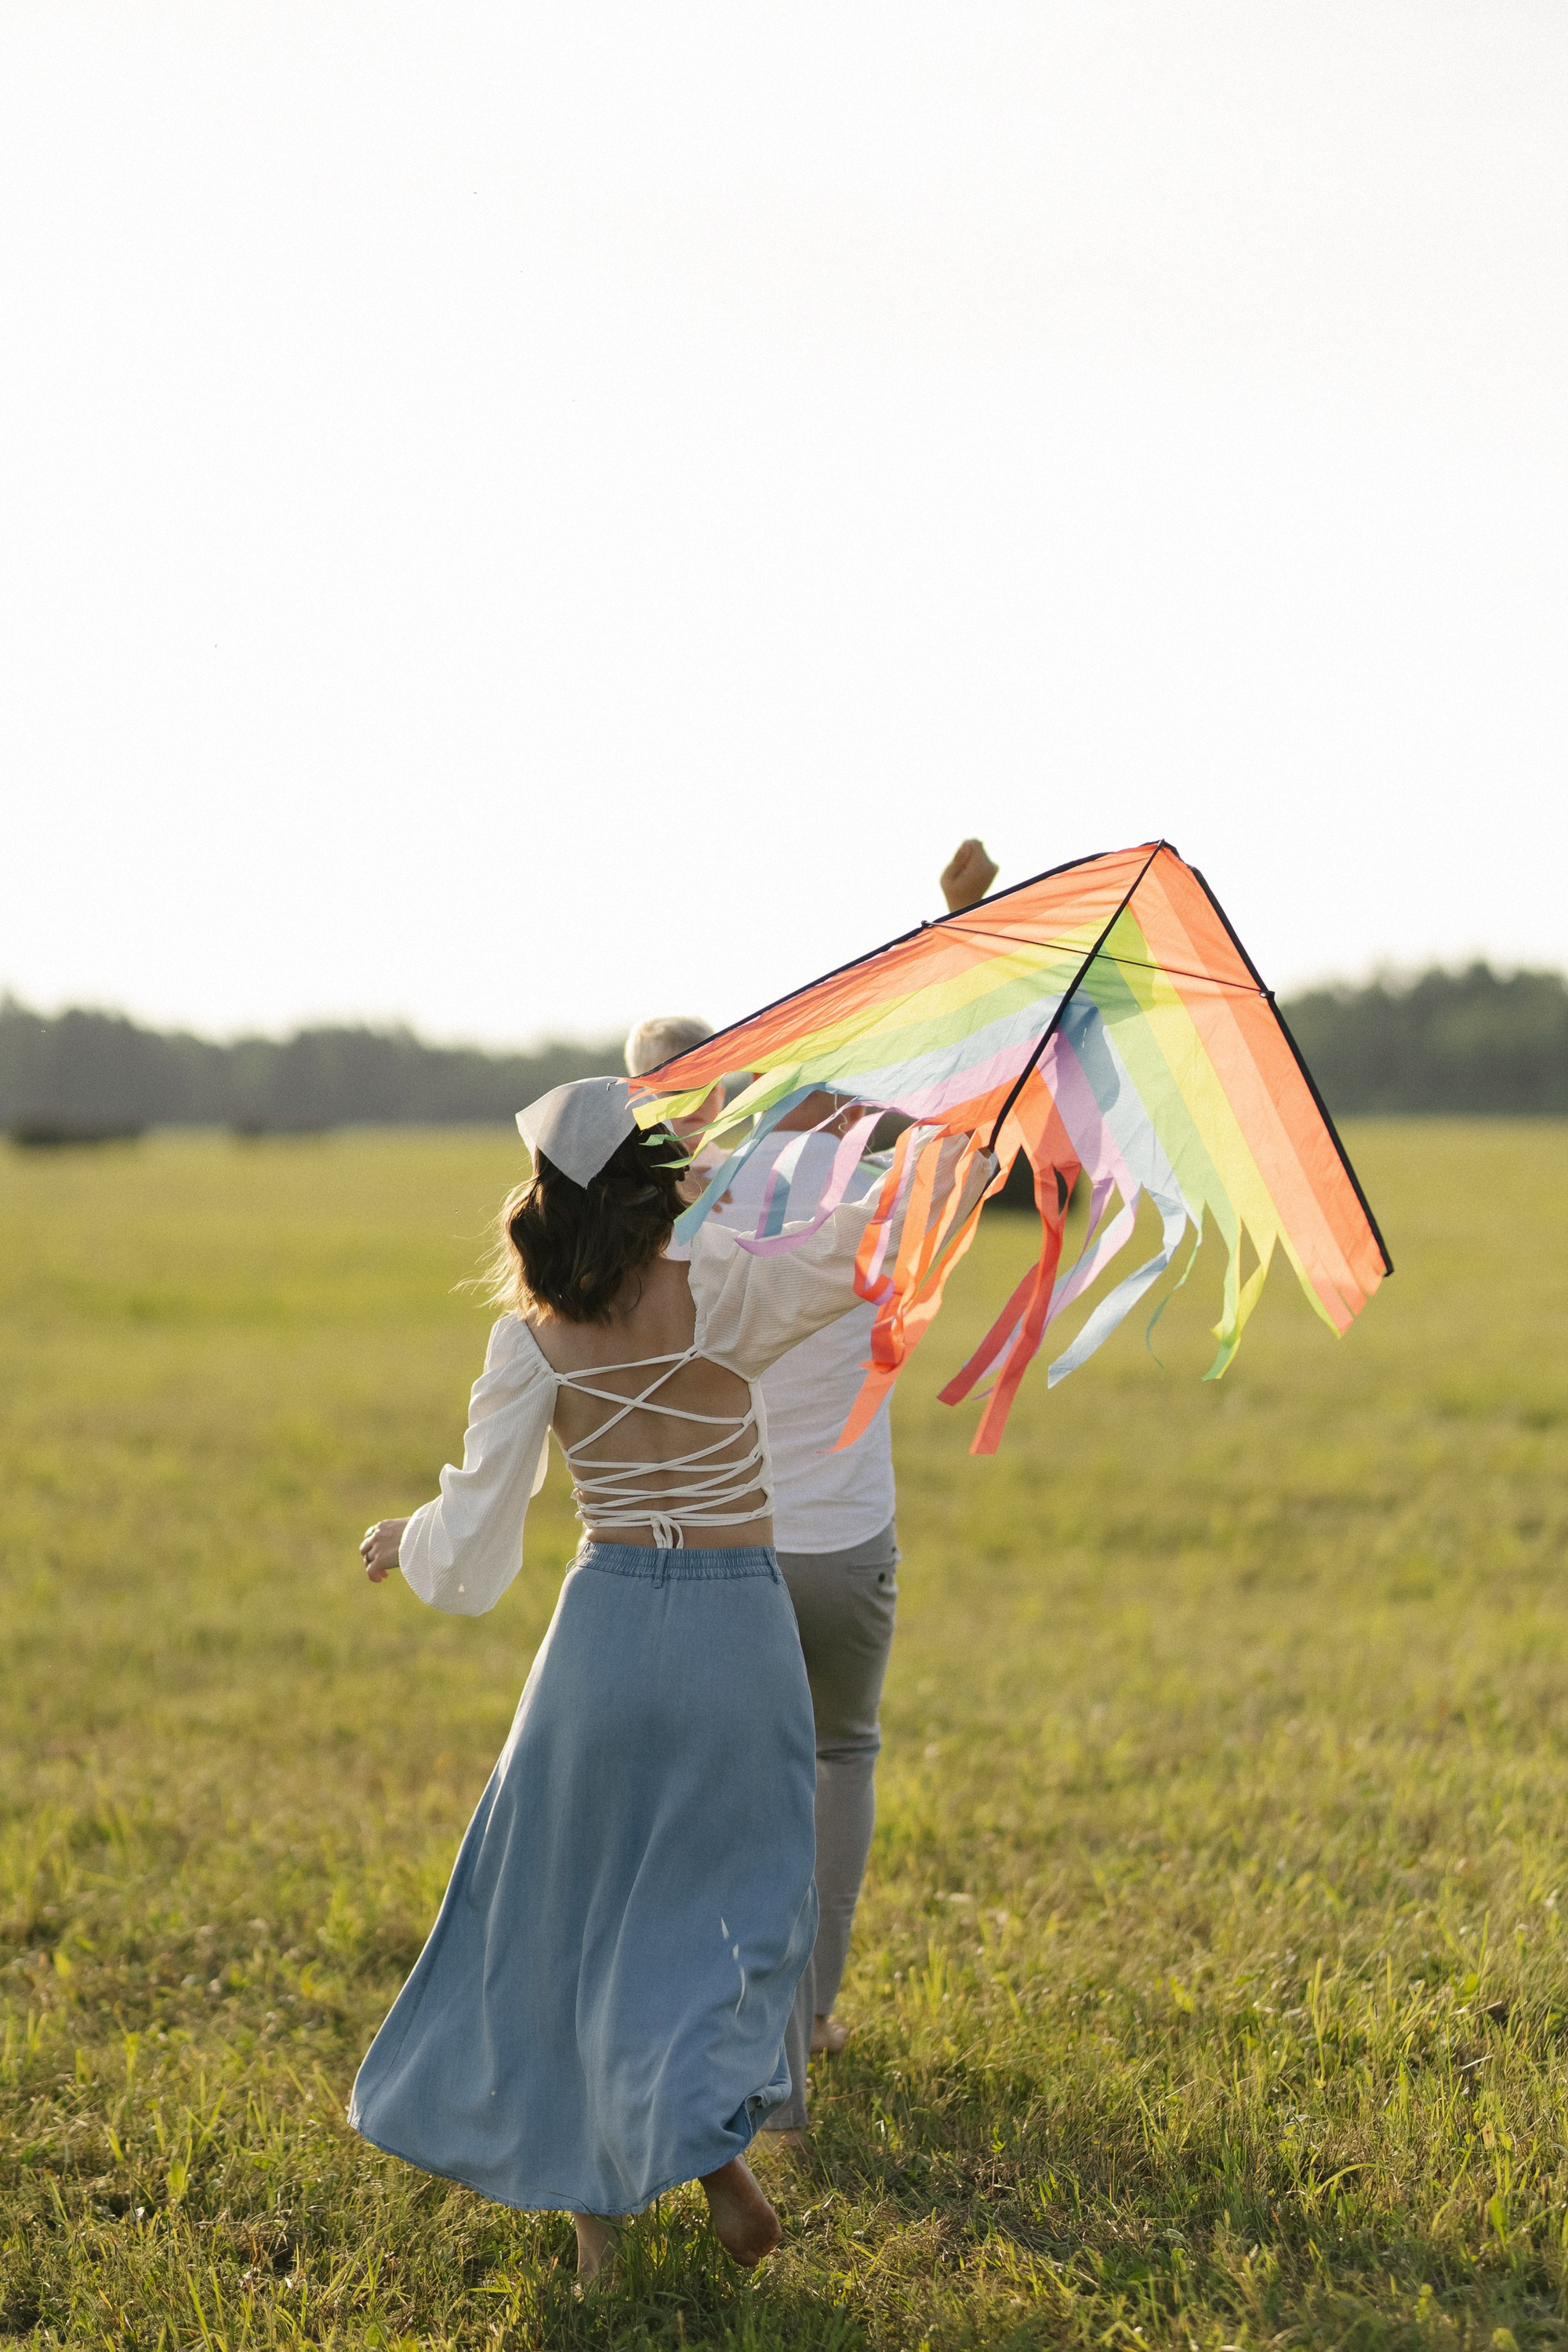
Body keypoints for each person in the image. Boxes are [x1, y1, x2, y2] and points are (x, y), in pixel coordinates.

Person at [350, 1073, 994, 2283]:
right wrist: (958, 1144)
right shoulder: (728, 1290)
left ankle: (600, 2244)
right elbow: (883, 1237)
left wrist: (404, 1539)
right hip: (732, 1631)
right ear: (657, 1187)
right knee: (730, 1913)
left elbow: (478, 1526)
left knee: (568, 1921)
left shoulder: (530, 1339)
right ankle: (716, 2152)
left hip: (600, 1639)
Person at [623, 836, 1000, 2141]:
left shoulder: (646, 1226)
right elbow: (962, 1121)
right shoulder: (846, 1178)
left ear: (641, 1097)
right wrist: (965, 928)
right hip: (850, 1547)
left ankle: (755, 2049)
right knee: (842, 1755)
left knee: (742, 1794)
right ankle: (817, 2012)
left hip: (724, 1550)